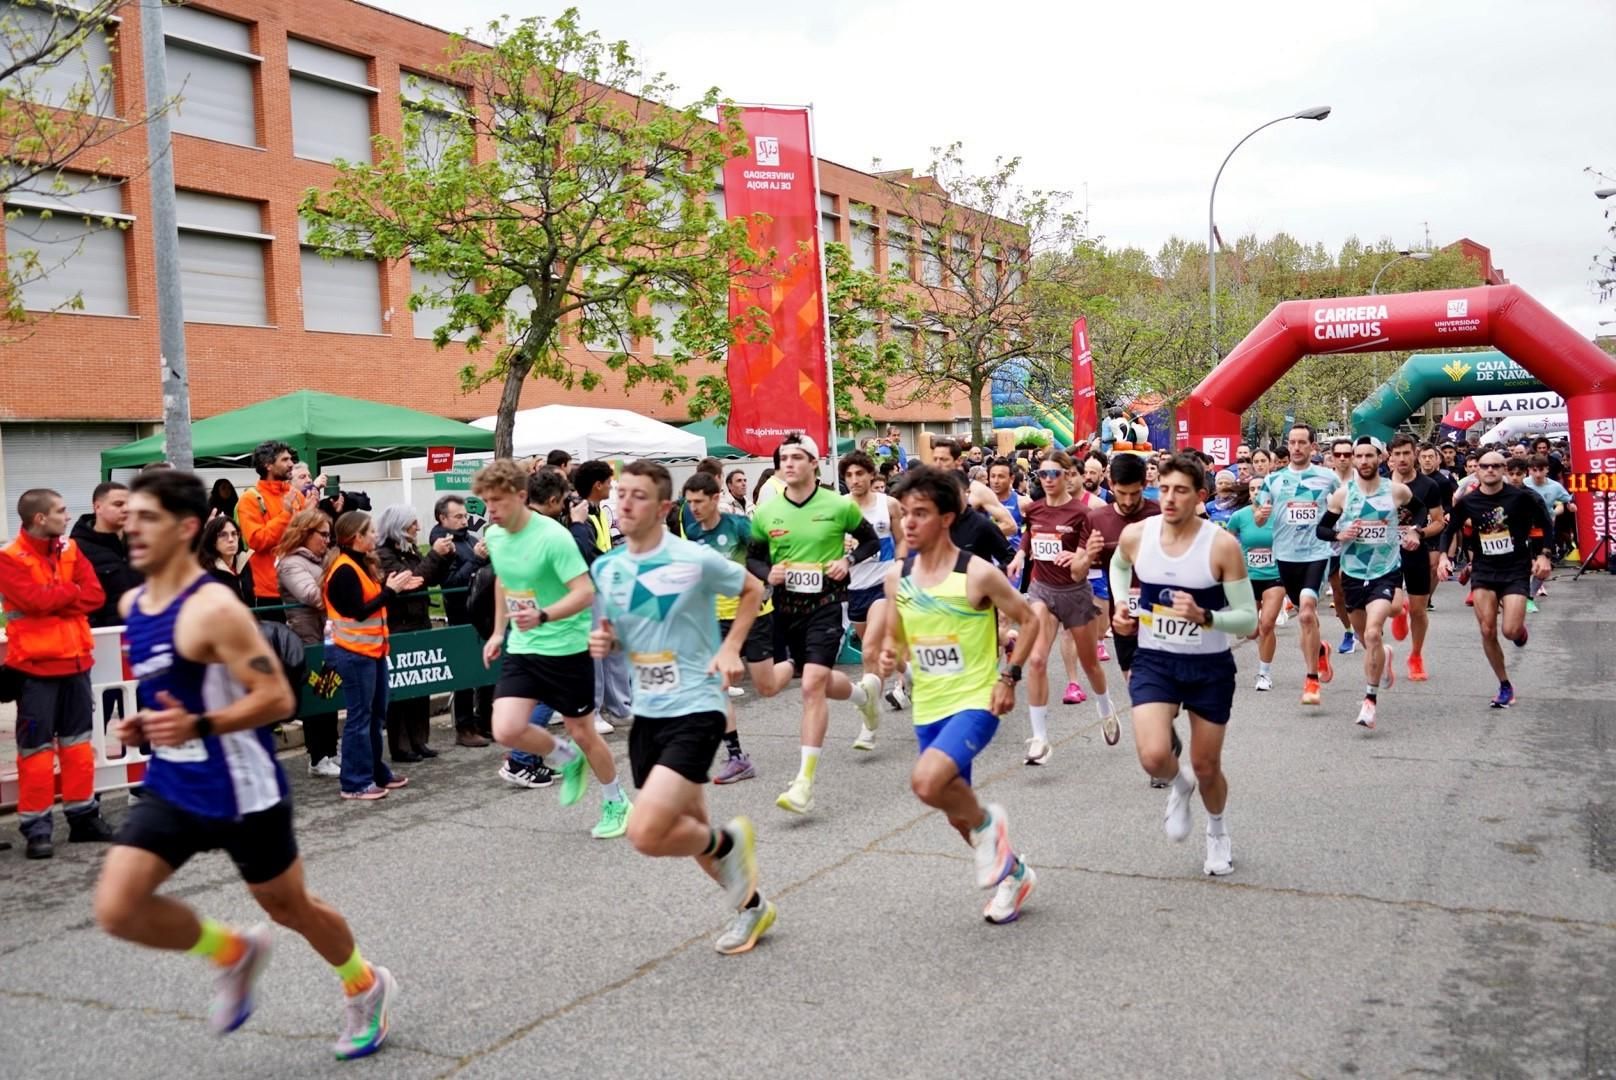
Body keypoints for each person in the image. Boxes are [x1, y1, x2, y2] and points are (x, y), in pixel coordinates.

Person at [93, 469, 395, 1060]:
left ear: (186, 528)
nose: (133, 529)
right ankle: (232, 952)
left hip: (242, 787)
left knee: (288, 907)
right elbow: (181, 691)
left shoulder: (214, 609)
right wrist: (147, 723)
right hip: (175, 782)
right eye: (130, 517)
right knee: (118, 907)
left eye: (148, 518)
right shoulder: (135, 603)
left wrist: (199, 725)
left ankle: (365, 984)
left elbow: (278, 699)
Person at [588, 461, 775, 953]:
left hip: (696, 704)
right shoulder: (607, 568)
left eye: (639, 496)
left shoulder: (694, 559)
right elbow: (626, 630)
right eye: (621, 494)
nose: (625, 503)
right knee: (687, 827)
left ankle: (728, 845)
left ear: (664, 509)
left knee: (647, 832)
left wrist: (731, 646)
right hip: (648, 712)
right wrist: (608, 640)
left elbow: (753, 589)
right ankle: (752, 908)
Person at [878, 466, 1045, 923]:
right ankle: (1014, 875)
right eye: (905, 513)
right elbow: (898, 632)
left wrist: (1009, 678)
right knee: (955, 812)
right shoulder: (897, 576)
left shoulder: (977, 574)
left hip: (977, 700)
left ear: (947, 518)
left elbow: (1030, 619)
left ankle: (993, 826)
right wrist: (892, 651)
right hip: (929, 705)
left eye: (921, 513)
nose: (909, 522)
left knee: (926, 783)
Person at [1109, 453, 1257, 877]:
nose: (1169, 498)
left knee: (1207, 765)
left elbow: (1248, 620)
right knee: (1154, 756)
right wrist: (1121, 605)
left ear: (1200, 496)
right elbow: (1118, 566)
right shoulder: (1137, 535)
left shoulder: (1221, 545)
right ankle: (1179, 783)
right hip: (1155, 660)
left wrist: (1206, 616)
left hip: (1208, 666)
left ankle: (1217, 831)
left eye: (1181, 491)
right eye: (1164, 489)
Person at [474, 460, 632, 838]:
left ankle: (616, 801)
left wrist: (543, 615)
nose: (490, 509)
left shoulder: (553, 538)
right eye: (486, 501)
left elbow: (584, 592)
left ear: (520, 496)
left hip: (567, 648)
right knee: (506, 728)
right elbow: (504, 581)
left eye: (497, 501)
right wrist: (497, 633)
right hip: (523, 645)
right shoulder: (495, 536)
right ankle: (565, 758)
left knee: (583, 732)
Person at [746, 433, 884, 814]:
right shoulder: (766, 512)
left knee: (811, 685)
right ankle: (863, 697)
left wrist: (848, 562)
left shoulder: (838, 506)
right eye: (783, 458)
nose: (788, 463)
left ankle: (803, 783)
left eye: (796, 457)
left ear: (814, 463)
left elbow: (871, 542)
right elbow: (754, 559)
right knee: (815, 678)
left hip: (826, 604)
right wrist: (768, 573)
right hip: (786, 608)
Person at [1, 487, 114, 857]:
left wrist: (57, 596)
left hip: (76, 663)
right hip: (35, 670)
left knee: (78, 746)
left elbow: (95, 596)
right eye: (61, 511)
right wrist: (69, 593)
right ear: (40, 518)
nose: (68, 516)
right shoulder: (9, 558)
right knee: (35, 751)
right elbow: (34, 602)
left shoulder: (71, 549)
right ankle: (37, 828)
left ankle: (82, 818)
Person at [1014, 450, 1114, 765]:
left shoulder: (1083, 514)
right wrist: (1020, 555)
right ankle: (1040, 739)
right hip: (1041, 590)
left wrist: (1078, 558)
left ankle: (1105, 708)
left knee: (1090, 664)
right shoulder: (1033, 508)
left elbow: (1083, 567)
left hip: (1074, 593)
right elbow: (1030, 533)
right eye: (1041, 474)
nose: (1047, 480)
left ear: (1068, 475)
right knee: (1037, 660)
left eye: (1054, 474)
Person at [1316, 437, 1424, 731]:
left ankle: (1369, 701)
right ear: (1353, 460)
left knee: (1374, 632)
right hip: (1353, 573)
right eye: (1359, 456)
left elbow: (1421, 510)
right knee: (1367, 640)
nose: (1363, 461)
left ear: (1380, 458)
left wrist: (1414, 531)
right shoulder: (1342, 495)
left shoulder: (1396, 491)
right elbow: (1322, 529)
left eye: (1369, 456)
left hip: (1385, 571)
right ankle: (1383, 657)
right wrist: (1339, 535)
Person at [678, 472, 772, 784]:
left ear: (716, 498)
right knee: (714, 685)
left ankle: (801, 663)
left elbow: (766, 559)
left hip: (753, 613)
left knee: (767, 686)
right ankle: (737, 757)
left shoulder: (739, 526)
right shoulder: (692, 530)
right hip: (715, 618)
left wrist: (765, 585)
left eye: (699, 501)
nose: (693, 508)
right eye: (689, 502)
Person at [322, 511, 418, 800]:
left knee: (375, 717)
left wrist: (392, 590)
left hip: (371, 651)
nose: (376, 535)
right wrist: (390, 591)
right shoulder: (344, 570)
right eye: (371, 531)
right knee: (360, 719)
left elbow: (370, 603)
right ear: (357, 537)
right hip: (354, 654)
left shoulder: (360, 564)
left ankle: (375, 772)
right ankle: (354, 782)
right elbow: (358, 611)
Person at [1446, 451, 1553, 708]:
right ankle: (1504, 685)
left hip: (1515, 568)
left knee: (1510, 630)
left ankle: (1519, 631)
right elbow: (1450, 529)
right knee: (1487, 629)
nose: (1490, 470)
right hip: (1484, 569)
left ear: (1504, 469)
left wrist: (1544, 555)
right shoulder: (1468, 501)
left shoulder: (1523, 497)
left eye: (1496, 466)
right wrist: (1442, 558)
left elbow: (1546, 524)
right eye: (1485, 466)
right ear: (1477, 470)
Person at [1256, 425, 1341, 707]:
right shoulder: (1273, 480)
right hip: (1285, 555)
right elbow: (1258, 517)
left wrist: (1340, 530)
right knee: (1307, 616)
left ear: (1312, 446)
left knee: (1305, 613)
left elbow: (1345, 504)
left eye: (1302, 442)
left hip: (1316, 552)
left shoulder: (1328, 477)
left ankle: (1311, 680)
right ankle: (1320, 650)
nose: (1296, 447)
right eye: (1292, 442)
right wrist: (1261, 514)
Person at [374, 505, 456, 763]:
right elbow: (410, 582)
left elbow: (426, 578)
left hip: (419, 621)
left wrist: (445, 557)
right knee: (401, 688)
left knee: (421, 684)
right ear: (398, 526)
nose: (418, 528)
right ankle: (400, 746)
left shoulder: (408, 551)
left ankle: (420, 740)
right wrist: (434, 555)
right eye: (413, 523)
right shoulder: (383, 555)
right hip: (399, 624)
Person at [840, 450, 909, 750]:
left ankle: (869, 724)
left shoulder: (888, 504)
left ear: (871, 475)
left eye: (859, 473)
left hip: (883, 585)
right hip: (855, 588)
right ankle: (910, 673)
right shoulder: (839, 508)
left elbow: (902, 540)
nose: (854, 480)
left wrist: (900, 565)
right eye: (849, 475)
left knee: (869, 650)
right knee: (882, 652)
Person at [1084, 452, 1161, 690]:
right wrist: (1087, 555)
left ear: (1145, 484)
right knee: (1136, 687)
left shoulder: (1160, 515)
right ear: (1111, 484)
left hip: (1162, 615)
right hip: (1123, 616)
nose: (1127, 501)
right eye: (1121, 493)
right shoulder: (1096, 519)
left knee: (1159, 691)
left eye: (1134, 493)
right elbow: (1076, 574)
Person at [276, 510, 341, 777]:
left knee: (330, 693)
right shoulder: (290, 563)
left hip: (327, 635)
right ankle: (318, 756)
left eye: (329, 535)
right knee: (317, 698)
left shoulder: (323, 560)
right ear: (305, 533)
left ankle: (331, 749)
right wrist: (339, 578)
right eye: (322, 534)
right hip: (307, 638)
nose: (327, 540)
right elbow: (312, 595)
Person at [430, 496, 492, 748]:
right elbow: (451, 583)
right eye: (458, 517)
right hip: (461, 614)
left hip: (482, 611)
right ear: (442, 518)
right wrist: (476, 560)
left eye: (465, 516)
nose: (464, 520)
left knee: (487, 669)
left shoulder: (469, 539)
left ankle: (485, 720)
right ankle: (464, 727)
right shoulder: (443, 544)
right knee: (464, 674)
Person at [575, 459, 632, 730]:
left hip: (605, 586)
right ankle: (594, 711)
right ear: (597, 485)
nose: (612, 486)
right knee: (596, 653)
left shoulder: (597, 510)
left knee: (615, 647)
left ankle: (620, 707)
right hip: (590, 589)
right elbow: (587, 552)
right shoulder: (579, 513)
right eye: (609, 482)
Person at [1388, 434, 1446, 680]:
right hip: (1386, 553)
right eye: (1397, 454)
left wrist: (1419, 532)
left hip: (1415, 551)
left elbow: (1439, 522)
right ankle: (1399, 611)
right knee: (1391, 605)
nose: (1402, 458)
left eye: (1406, 453)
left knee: (1419, 610)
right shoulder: (1381, 484)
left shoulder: (1428, 485)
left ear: (1415, 455)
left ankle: (1416, 655)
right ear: (1390, 457)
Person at [238, 441, 311, 621]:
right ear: (268, 465)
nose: (291, 464)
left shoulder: (296, 495)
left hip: (301, 586)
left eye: (291, 459)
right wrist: (286, 515)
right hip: (269, 593)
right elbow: (257, 540)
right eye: (284, 460)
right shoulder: (250, 499)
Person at [1225, 477, 1284, 690]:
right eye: (1252, 489)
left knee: (1267, 624)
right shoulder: (1239, 516)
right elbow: (1226, 541)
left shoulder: (1280, 515)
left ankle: (1264, 674)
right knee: (1251, 631)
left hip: (1275, 576)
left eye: (1261, 488)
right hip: (1248, 577)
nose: (1257, 492)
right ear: (1249, 494)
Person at [71, 480, 143, 627]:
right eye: (118, 504)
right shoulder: (76, 549)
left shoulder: (142, 542)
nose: (126, 509)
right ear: (97, 507)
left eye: (129, 504)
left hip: (145, 630)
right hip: (103, 634)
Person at [1324, 437, 1358, 654]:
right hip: (1333, 542)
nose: (1343, 458)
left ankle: (1366, 620)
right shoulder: (1324, 482)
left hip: (1360, 543)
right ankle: (1349, 631)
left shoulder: (1364, 479)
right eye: (1338, 454)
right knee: (1338, 591)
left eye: (1347, 454)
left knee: (1356, 587)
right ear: (1332, 457)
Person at [199, 515, 254, 608]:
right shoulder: (206, 572)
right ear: (213, 541)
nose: (231, 539)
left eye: (234, 534)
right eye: (223, 535)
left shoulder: (243, 563)